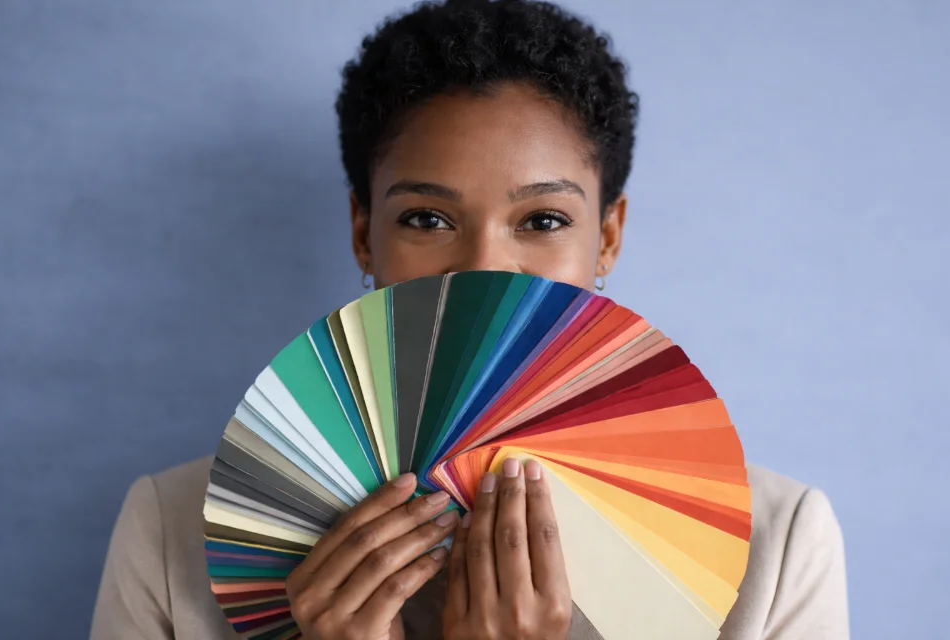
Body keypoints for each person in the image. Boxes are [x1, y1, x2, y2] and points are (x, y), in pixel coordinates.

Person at [90, 1, 850, 638]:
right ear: (363, 231)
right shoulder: (170, 530)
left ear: (608, 236)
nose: (484, 269)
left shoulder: (774, 550)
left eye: (544, 219)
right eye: (426, 217)